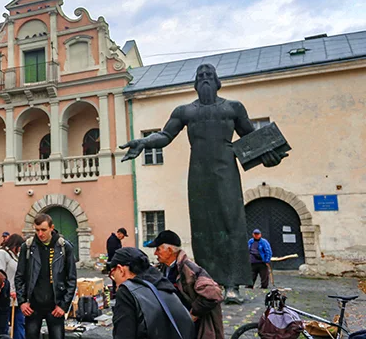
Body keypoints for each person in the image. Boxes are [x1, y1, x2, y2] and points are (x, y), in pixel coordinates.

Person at [120, 64, 286, 303]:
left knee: (232, 224)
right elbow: (166, 136)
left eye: (209, 76)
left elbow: (252, 138)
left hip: (226, 170)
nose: (205, 79)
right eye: (201, 77)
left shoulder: (233, 108)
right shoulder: (185, 111)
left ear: (217, 82)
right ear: (195, 84)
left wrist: (271, 155)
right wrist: (144, 142)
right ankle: (210, 281)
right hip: (198, 173)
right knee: (203, 228)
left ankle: (233, 284)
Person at [150, 230, 224, 339]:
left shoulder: (189, 269)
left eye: (158, 249)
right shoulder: (164, 268)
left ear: (170, 250)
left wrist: (193, 314)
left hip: (191, 328)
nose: (155, 253)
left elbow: (213, 294)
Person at [109, 247, 194, 339]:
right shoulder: (166, 286)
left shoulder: (127, 292)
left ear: (120, 269)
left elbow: (124, 334)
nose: (115, 281)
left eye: (113, 275)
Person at [16, 213, 77, 339]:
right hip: (33, 306)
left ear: (51, 227)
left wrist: (64, 305)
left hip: (55, 306)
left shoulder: (64, 247)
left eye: (43, 230)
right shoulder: (27, 247)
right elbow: (19, 276)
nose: (40, 234)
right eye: (37, 230)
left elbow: (71, 279)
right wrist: (22, 302)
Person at [0, 233, 25, 338]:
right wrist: (8, 291)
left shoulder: (15, 256)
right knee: (3, 327)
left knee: (19, 325)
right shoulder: (1, 254)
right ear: (16, 245)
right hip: (4, 298)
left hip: (16, 299)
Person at [107, 228, 127, 298]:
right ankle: (115, 292)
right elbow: (113, 252)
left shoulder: (116, 240)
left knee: (116, 278)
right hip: (114, 261)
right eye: (123, 236)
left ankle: (116, 292)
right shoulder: (112, 240)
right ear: (119, 233)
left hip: (116, 261)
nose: (123, 238)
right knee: (115, 278)